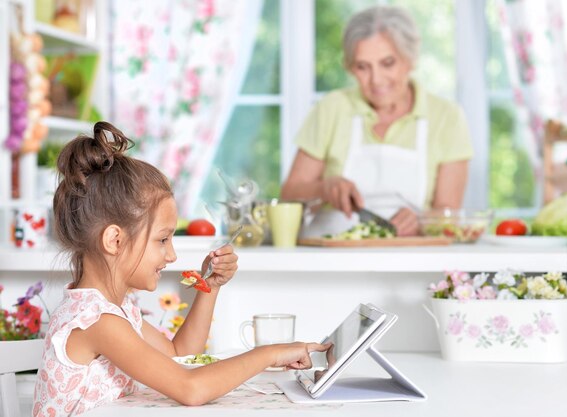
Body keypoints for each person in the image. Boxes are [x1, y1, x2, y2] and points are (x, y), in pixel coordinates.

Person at [32, 122, 329, 416]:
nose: (171, 255)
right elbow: (191, 388)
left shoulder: (116, 310)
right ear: (115, 239)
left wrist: (209, 287)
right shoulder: (95, 321)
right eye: (162, 239)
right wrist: (271, 352)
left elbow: (179, 356)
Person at [281, 6, 473, 238]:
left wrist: (422, 221)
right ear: (351, 67)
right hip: (331, 260)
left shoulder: (446, 117)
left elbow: (448, 212)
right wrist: (324, 188)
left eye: (388, 63)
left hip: (411, 261)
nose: (376, 80)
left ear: (410, 60)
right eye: (363, 67)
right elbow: (289, 196)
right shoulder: (331, 108)